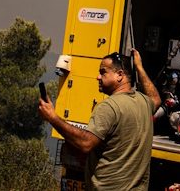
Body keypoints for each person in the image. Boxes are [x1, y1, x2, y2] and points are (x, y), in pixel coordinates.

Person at [38, 50, 161, 191]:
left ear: (120, 75)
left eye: (103, 72)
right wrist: (139, 68)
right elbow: (156, 99)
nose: (98, 77)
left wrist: (52, 118)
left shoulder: (109, 106)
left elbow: (86, 143)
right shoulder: (143, 102)